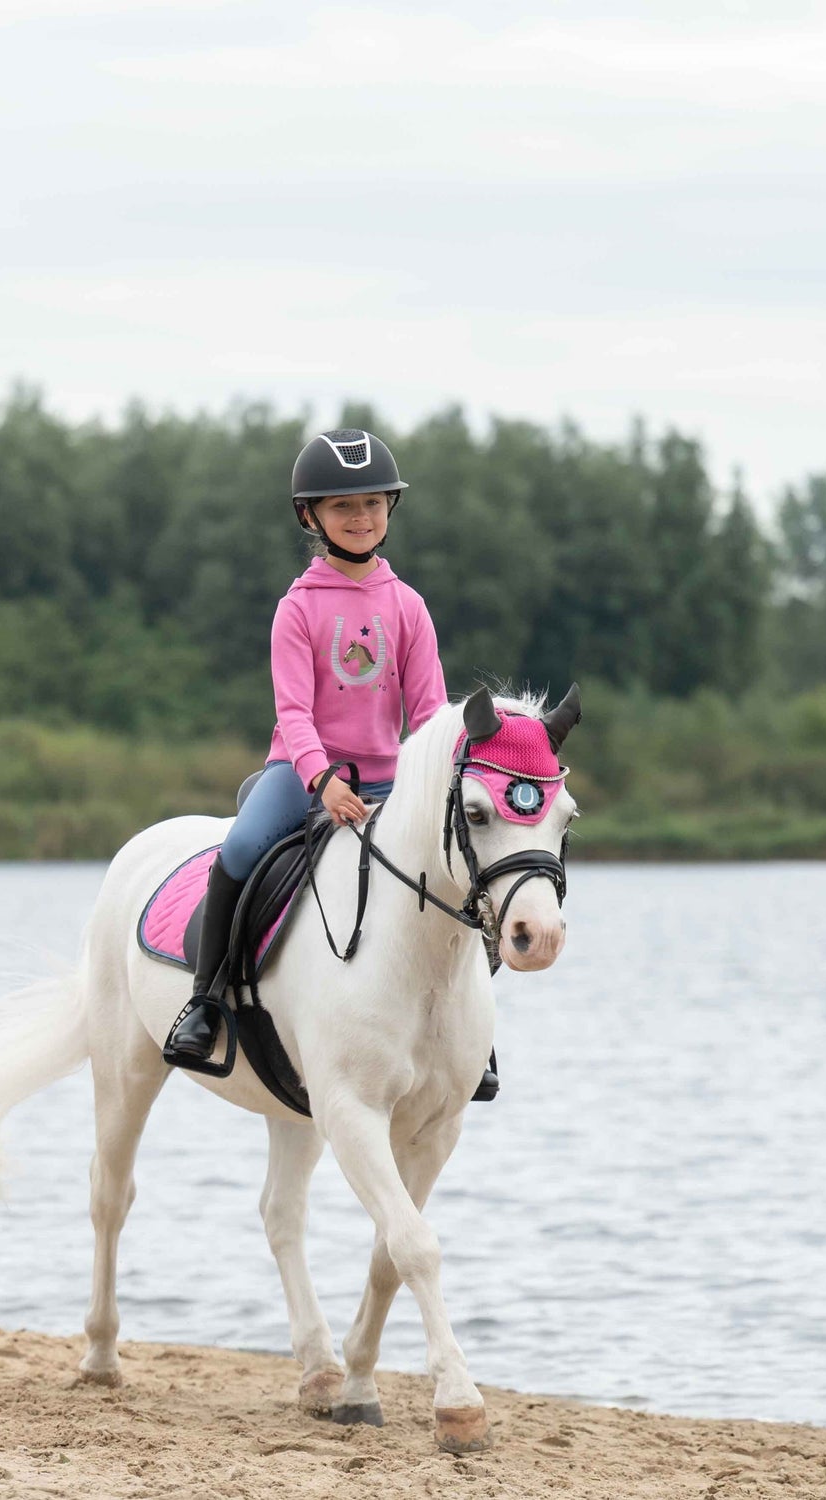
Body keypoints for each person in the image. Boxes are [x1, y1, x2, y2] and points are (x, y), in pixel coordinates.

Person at [163, 427, 499, 1100]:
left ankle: (478, 1038)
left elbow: (430, 711)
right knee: (241, 849)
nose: (362, 518)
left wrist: (425, 780)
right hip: (304, 772)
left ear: (389, 511)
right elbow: (293, 712)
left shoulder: (408, 606)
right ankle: (205, 1001)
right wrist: (323, 781)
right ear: (310, 516)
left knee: (469, 866)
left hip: (389, 778)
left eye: (374, 504)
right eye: (344, 507)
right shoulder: (297, 609)